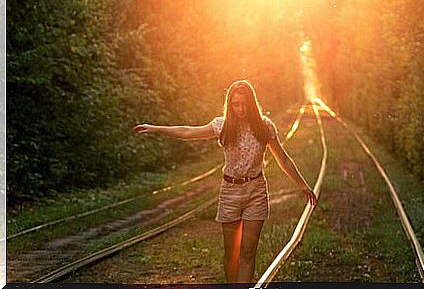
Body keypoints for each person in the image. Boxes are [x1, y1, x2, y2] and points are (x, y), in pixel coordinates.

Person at [133, 79, 317, 283]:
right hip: (230, 193)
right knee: (232, 254)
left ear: (252, 103)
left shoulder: (265, 126)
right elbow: (188, 131)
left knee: (248, 253)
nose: (240, 109)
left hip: (256, 191)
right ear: (230, 105)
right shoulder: (222, 125)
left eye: (244, 104)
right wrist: (156, 128)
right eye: (235, 104)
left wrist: (303, 185)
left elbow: (283, 159)